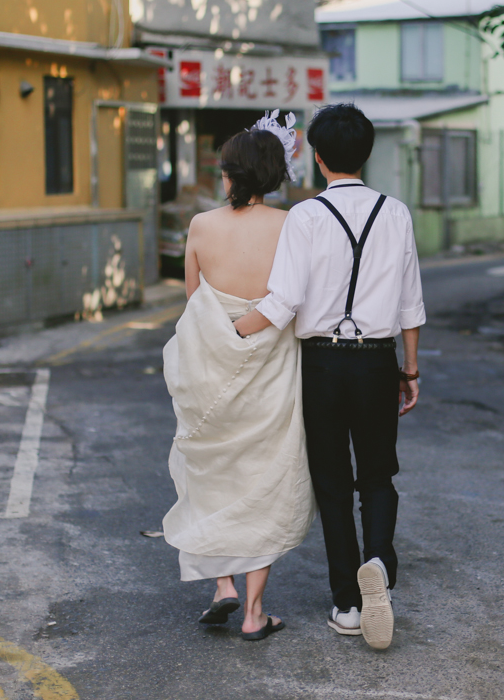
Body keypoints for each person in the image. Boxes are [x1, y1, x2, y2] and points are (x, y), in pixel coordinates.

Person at [232, 103, 425, 650]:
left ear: (317, 158)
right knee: (379, 475)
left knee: (333, 484)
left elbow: (284, 299)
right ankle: (379, 567)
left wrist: (230, 333)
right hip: (376, 358)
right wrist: (408, 370)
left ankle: (346, 603)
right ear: (367, 153)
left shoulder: (306, 216)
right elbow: (411, 303)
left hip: (319, 362)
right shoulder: (396, 213)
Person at [160, 112, 315, 642]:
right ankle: (253, 612)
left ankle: (221, 583)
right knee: (264, 479)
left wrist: (226, 335)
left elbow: (194, 302)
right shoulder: (292, 225)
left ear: (229, 175)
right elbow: (297, 300)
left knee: (210, 473)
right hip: (269, 369)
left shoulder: (201, 226)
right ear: (274, 175)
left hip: (209, 365)